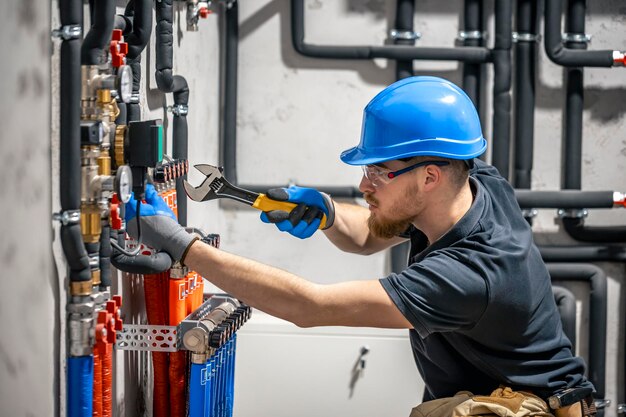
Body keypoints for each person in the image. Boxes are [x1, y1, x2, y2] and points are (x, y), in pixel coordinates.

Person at [126, 76, 595, 417]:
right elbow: (371, 233)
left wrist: (185, 248)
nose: (364, 184)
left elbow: (310, 307)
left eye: (377, 171)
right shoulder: (474, 184)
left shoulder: (472, 275)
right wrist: (328, 213)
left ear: (430, 176)